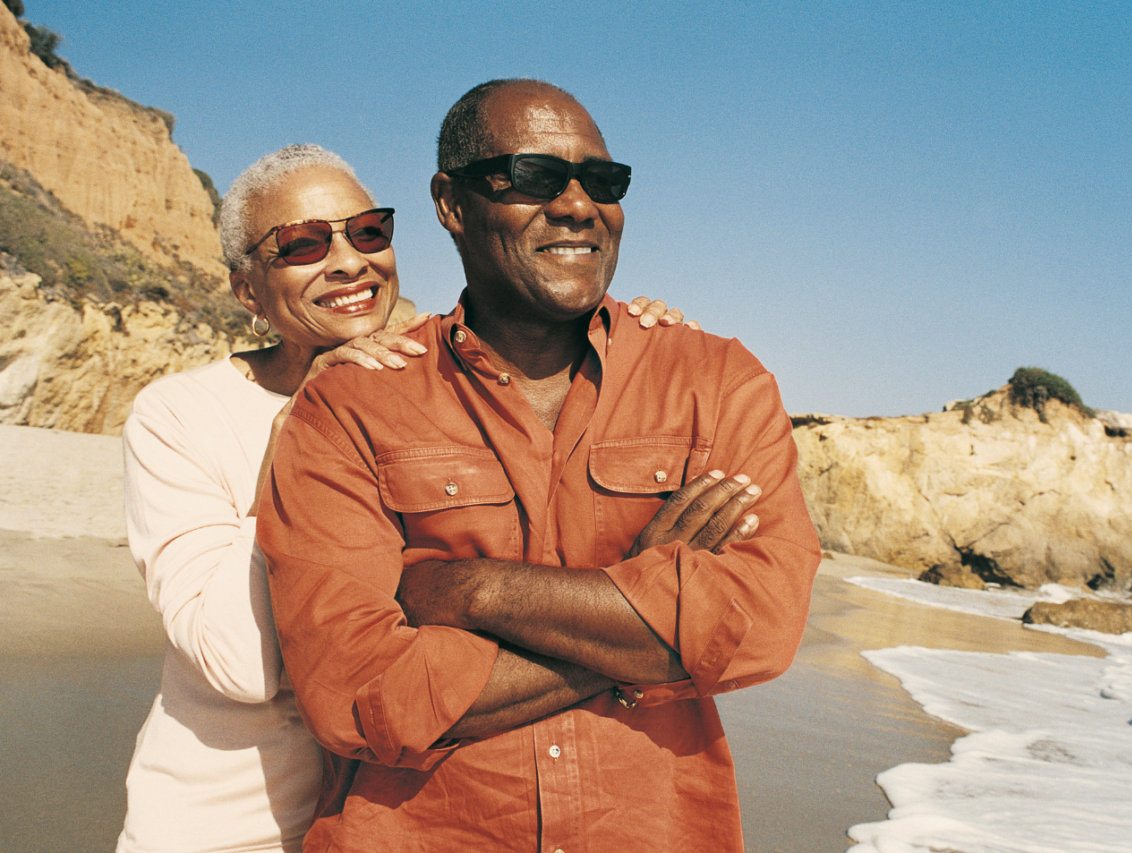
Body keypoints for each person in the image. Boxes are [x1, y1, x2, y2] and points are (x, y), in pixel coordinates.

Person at [259, 80, 821, 852]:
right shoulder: (350, 407)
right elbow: (358, 690)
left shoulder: (716, 383)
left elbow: (758, 626)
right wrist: (650, 611)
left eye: (604, 181)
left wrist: (472, 590)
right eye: (535, 177)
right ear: (450, 203)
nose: (578, 205)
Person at [116, 142, 691, 853]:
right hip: (227, 827)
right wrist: (303, 428)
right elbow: (239, 663)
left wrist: (628, 337)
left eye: (368, 232)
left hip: (388, 822)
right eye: (301, 244)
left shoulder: (440, 387)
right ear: (247, 292)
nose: (350, 259)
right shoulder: (180, 415)